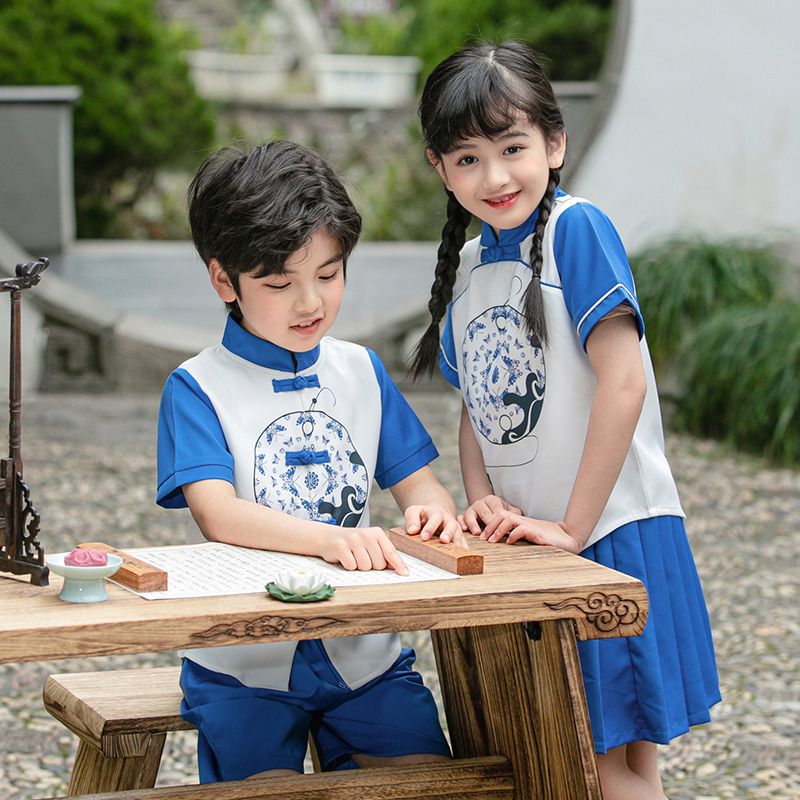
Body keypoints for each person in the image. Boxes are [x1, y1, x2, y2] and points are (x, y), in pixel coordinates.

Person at [411, 41, 720, 800]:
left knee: (594, 763)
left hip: (612, 533)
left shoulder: (577, 231)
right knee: (615, 764)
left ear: (555, 143)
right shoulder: (470, 274)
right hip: (544, 548)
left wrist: (574, 531)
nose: (495, 176)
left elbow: (623, 385)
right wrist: (479, 491)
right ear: (438, 168)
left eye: (513, 147)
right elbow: (475, 411)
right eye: (467, 159)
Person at [157, 140, 460, 783]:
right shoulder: (197, 386)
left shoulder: (361, 370)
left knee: (427, 781)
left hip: (364, 652)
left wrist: (433, 518)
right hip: (245, 662)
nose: (310, 303)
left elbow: (423, 489)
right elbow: (219, 513)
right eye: (278, 283)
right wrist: (333, 541)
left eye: (328, 274)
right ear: (223, 281)